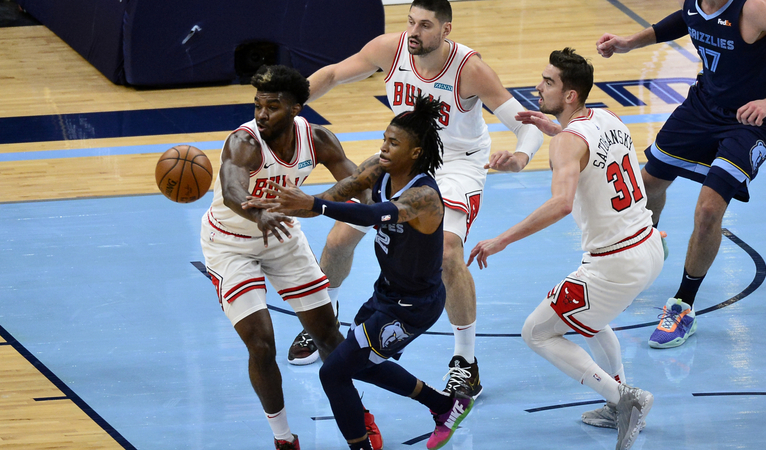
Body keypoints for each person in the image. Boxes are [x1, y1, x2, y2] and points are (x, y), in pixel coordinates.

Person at [285, 0, 561, 401]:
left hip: (455, 166)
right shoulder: (389, 48)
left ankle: (465, 363)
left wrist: (520, 157)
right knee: (339, 240)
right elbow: (330, 74)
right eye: (410, 21)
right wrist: (293, 103)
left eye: (425, 25)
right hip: (403, 158)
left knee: (449, 253)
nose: (414, 32)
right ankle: (323, 323)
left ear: (446, 31)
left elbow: (527, 123)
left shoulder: (469, 69)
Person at [243, 94, 473, 450]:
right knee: (355, 364)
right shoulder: (377, 170)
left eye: (393, 143)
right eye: (384, 138)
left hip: (415, 306)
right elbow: (336, 194)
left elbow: (371, 215)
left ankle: (362, 445)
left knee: (332, 373)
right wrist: (282, 206)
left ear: (415, 153)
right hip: (386, 293)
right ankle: (444, 405)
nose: (384, 147)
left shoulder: (424, 197)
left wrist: (316, 206)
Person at [468, 48, 664, 450]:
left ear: (570, 95)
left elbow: (560, 204)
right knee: (588, 317)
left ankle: (625, 400)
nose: (538, 87)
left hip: (614, 263)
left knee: (536, 333)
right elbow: (589, 148)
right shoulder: (608, 116)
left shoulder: (566, 144)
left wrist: (501, 239)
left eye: (548, 82)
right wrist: (556, 130)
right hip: (647, 246)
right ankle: (618, 397)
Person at [596, 0, 766, 349]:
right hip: (703, 107)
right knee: (646, 187)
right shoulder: (694, 2)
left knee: (708, 211)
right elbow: (683, 20)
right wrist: (631, 42)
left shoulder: (757, 8)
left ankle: (682, 305)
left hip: (751, 122)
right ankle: (647, 247)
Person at [199, 65, 381, 450]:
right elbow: (233, 190)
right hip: (230, 242)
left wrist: (366, 207)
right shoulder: (243, 142)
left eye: (272, 106)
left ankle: (359, 419)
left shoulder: (316, 139)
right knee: (262, 343)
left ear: (297, 108)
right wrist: (258, 213)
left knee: (329, 337)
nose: (261, 114)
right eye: (257, 105)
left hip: (282, 238)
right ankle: (284, 439)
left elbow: (356, 184)